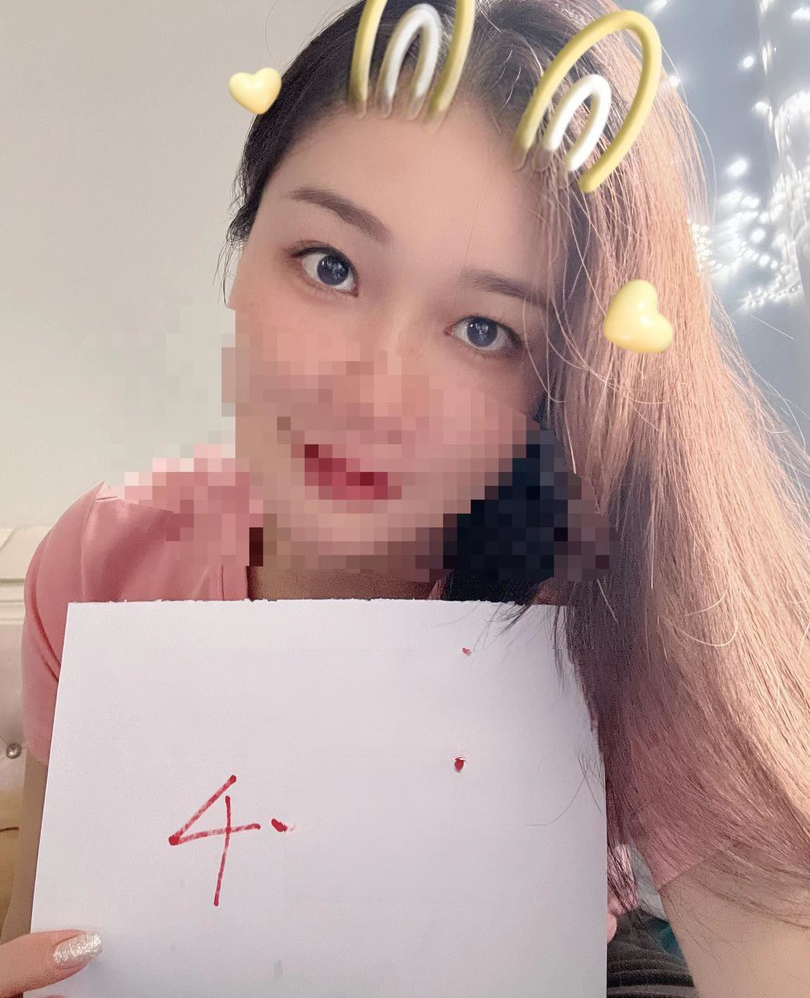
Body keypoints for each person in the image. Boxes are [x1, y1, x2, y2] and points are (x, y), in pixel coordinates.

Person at [3, 0, 809, 995]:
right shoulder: (104, 560)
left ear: (551, 391)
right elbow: (45, 933)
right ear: (242, 250)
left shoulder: (610, 595)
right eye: (331, 266)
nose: (373, 396)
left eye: (484, 331)